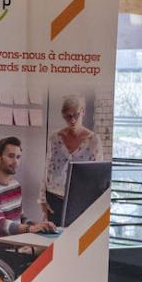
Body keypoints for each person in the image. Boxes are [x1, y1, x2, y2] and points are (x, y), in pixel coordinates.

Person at [39, 94, 101, 226]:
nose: (72, 120)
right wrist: (42, 200)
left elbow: (97, 177)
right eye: (68, 116)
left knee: (75, 241)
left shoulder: (94, 141)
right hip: (54, 197)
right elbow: (47, 169)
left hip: (80, 200)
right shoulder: (54, 138)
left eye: (76, 115)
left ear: (83, 111)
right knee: (53, 240)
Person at [0, 137, 56, 237]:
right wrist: (30, 229)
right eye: (11, 156)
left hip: (19, 240)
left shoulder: (15, 185)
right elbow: (0, 223)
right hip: (4, 245)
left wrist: (39, 226)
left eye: (18, 157)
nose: (15, 161)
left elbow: (21, 218)